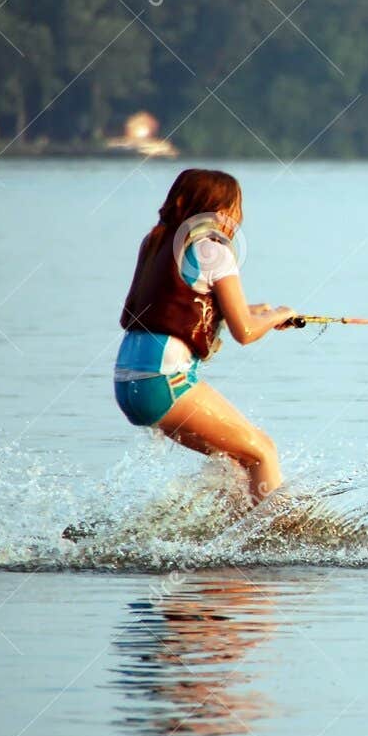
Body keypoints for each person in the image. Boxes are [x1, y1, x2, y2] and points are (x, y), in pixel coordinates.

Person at [114, 168, 297, 505]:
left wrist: (260, 313)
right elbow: (244, 331)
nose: (236, 219)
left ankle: (228, 540)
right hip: (164, 381)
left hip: (129, 382)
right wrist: (278, 316)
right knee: (262, 452)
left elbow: (184, 306)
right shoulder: (213, 249)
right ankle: (275, 537)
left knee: (238, 462)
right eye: (234, 210)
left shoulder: (155, 242)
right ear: (219, 210)